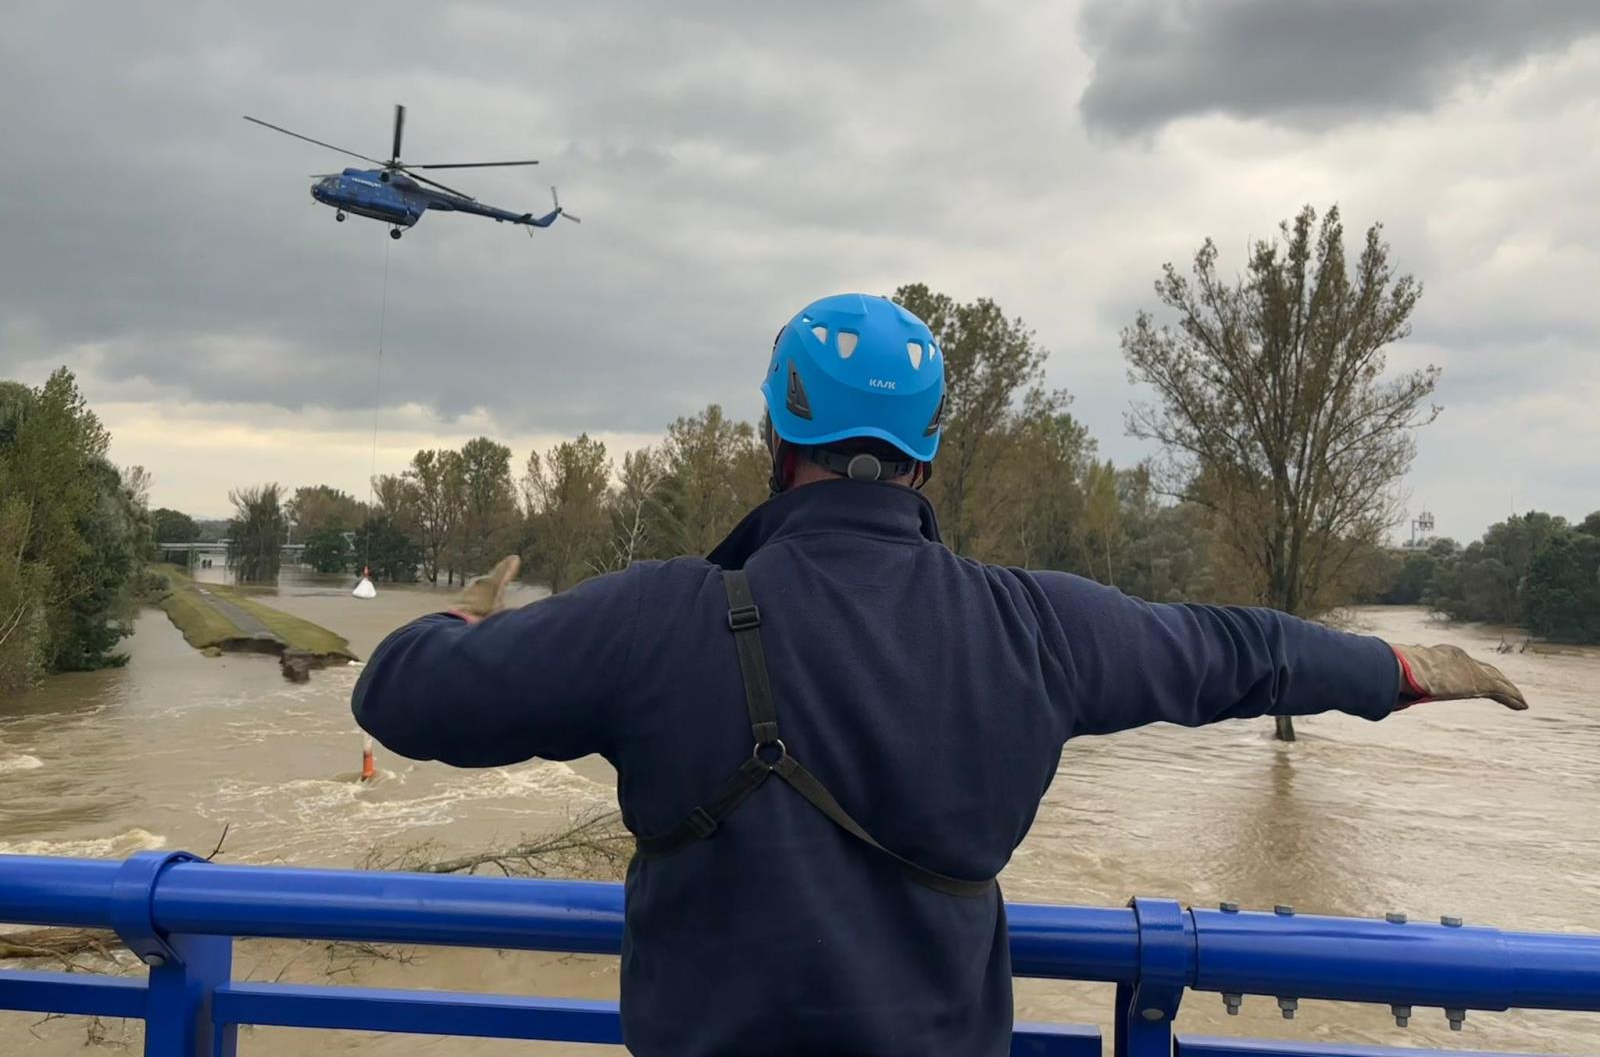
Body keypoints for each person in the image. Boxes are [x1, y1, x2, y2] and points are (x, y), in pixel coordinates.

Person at [353, 292, 1526, 1057]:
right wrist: (1400, 667)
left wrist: (463, 610)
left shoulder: (661, 615)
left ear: (775, 435)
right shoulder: (1036, 625)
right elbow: (1233, 650)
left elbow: (401, 698)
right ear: (928, 448)